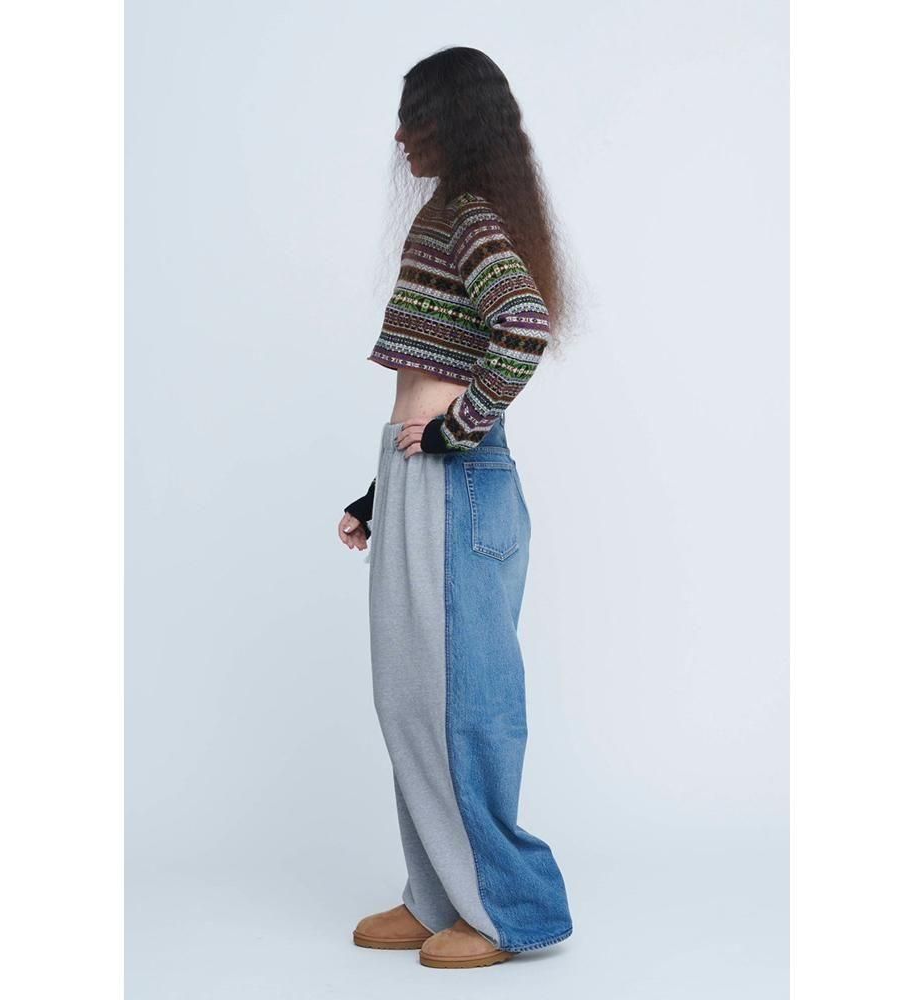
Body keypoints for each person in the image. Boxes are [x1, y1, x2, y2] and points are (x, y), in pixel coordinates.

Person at [337, 46, 574, 970]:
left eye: (418, 117)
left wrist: (452, 432)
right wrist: (380, 492)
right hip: (418, 479)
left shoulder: (472, 215)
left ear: (455, 122)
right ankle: (438, 894)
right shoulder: (445, 213)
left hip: (460, 478)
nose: (401, 135)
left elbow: (523, 327)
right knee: (410, 697)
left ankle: (514, 910)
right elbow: (427, 372)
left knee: (466, 704)